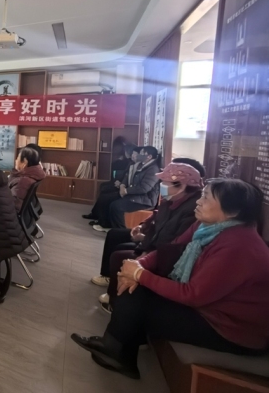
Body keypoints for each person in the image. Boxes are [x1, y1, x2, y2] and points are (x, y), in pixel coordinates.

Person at [72, 179, 269, 380]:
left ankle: (117, 352)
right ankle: (117, 349)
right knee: (135, 287)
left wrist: (139, 274)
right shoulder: (206, 226)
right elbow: (170, 250)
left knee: (137, 297)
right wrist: (138, 266)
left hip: (228, 329)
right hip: (209, 309)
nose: (199, 202)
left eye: (206, 198)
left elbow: (192, 295)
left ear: (233, 211)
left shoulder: (239, 246)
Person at [91, 162, 203, 312]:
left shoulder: (192, 210)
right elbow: (157, 216)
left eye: (165, 182)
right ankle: (108, 277)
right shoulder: (173, 198)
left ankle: (115, 299)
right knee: (114, 235)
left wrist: (144, 240)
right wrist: (142, 226)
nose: (162, 185)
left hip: (160, 250)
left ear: (181, 186)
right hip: (152, 238)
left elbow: (172, 242)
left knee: (120, 254)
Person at [95, 145, 160, 232]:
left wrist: (126, 191)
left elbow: (144, 188)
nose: (138, 155)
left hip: (145, 200)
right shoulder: (140, 165)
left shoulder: (153, 169)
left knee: (116, 206)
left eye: (141, 153)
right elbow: (127, 176)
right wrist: (122, 186)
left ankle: (120, 231)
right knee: (107, 199)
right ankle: (106, 225)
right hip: (133, 194)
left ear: (149, 156)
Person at [87, 146, 142, 228]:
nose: (132, 155)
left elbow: (135, 184)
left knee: (106, 196)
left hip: (129, 192)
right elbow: (126, 177)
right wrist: (120, 183)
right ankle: (96, 215)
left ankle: (103, 221)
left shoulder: (140, 167)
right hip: (123, 187)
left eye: (135, 154)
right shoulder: (132, 164)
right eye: (133, 153)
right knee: (103, 188)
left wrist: (121, 185)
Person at [8, 147, 45, 212]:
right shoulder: (31, 176)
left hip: (9, 215)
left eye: (18, 158)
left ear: (24, 162)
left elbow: (13, 206)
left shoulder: (22, 182)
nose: (16, 160)